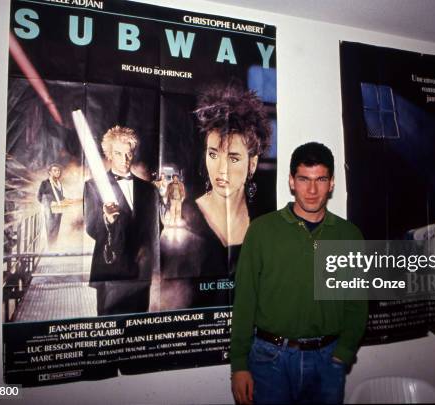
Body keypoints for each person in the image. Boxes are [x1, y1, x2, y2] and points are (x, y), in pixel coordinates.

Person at [230, 142, 368, 404]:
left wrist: (344, 352)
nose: (313, 190)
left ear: (332, 183)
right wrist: (239, 364)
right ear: (292, 181)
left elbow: (357, 303)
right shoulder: (262, 231)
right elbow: (245, 301)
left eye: (321, 179)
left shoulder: (347, 235)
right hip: (269, 360)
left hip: (328, 360)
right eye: (304, 179)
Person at [159, 84, 272, 309]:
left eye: (233, 158)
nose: (222, 170)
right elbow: (166, 315)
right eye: (213, 154)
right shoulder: (183, 224)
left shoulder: (266, 222)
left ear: (252, 164)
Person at [83, 125, 158, 316]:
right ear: (109, 154)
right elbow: (91, 228)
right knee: (109, 332)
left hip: (140, 272)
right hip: (110, 270)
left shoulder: (149, 190)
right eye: (118, 153)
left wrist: (146, 253)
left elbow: (157, 228)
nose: (125, 159)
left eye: (128, 153)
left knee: (137, 329)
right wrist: (107, 219)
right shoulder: (93, 186)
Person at [37, 163, 65, 247]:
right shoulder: (45, 183)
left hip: (58, 209)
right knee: (49, 226)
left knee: (56, 227)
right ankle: (50, 246)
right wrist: (47, 205)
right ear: (50, 172)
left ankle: (54, 245)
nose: (57, 172)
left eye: (58, 170)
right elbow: (39, 196)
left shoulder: (59, 183)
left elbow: (60, 196)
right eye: (55, 170)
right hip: (49, 208)